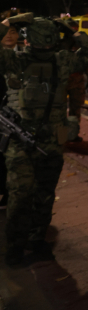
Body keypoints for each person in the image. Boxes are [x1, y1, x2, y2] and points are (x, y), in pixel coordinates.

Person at [0, 13, 88, 266]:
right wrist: (70, 32)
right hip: (24, 138)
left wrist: (6, 23)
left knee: (31, 195)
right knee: (29, 195)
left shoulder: (40, 61)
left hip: (43, 140)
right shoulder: (36, 61)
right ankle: (18, 247)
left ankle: (32, 243)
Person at [62, 18, 88, 142]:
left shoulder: (81, 44)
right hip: (62, 81)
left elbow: (87, 61)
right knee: (59, 111)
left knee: (76, 109)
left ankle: (73, 135)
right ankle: (61, 137)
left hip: (77, 80)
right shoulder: (59, 44)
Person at [0, 24, 19, 209]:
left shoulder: (24, 55)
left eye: (13, 31)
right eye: (5, 31)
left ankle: (7, 193)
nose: (9, 35)